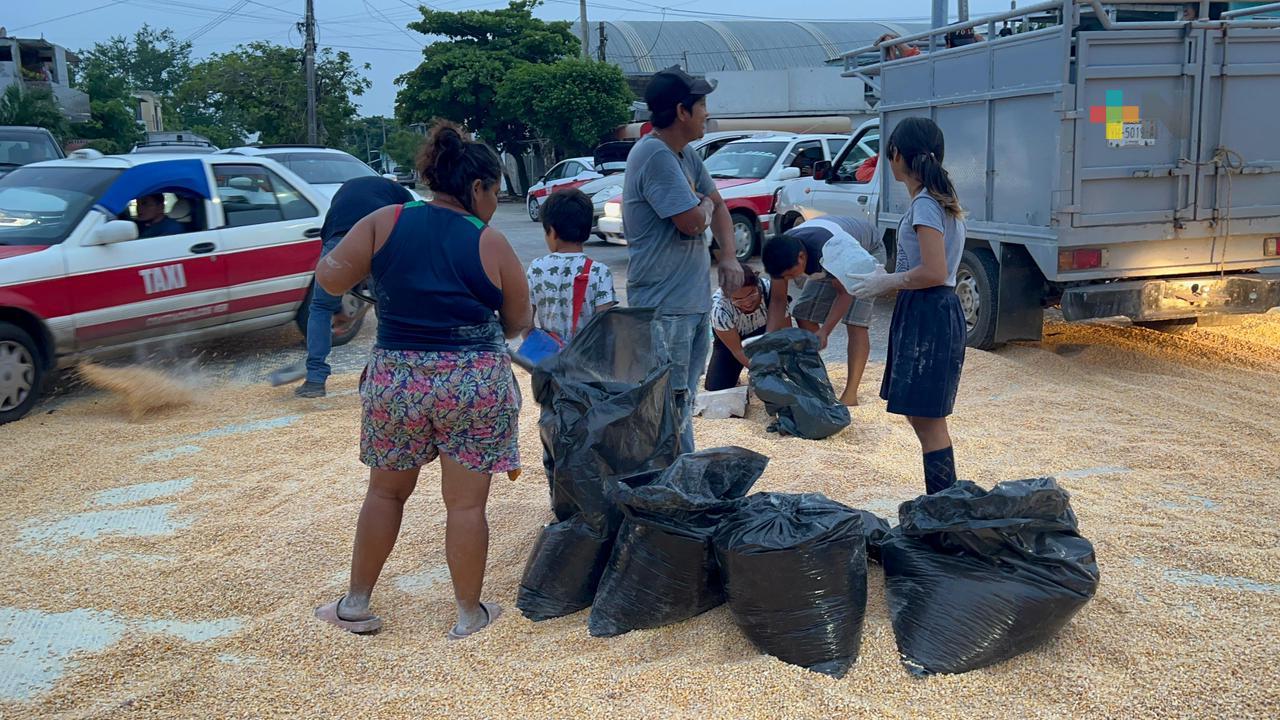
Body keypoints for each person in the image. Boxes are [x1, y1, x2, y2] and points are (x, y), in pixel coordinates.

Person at [313, 122, 531, 638]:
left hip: (397, 381)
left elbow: (329, 278)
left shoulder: (384, 220)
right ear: (476, 188)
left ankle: (356, 604)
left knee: (385, 495)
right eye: (496, 194)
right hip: (472, 382)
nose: (496, 204)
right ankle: (466, 615)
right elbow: (519, 324)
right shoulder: (491, 241)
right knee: (466, 504)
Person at [623, 65, 744, 453]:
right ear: (681, 111)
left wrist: (728, 256)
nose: (707, 113)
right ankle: (672, 488)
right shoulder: (655, 155)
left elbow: (718, 206)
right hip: (664, 307)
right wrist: (704, 204)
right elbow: (692, 221)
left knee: (682, 400)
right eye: (703, 104)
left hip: (688, 303)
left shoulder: (685, 154)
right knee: (666, 405)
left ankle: (679, 482)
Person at [846, 117, 967, 496]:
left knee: (929, 422)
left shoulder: (927, 205)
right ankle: (942, 507)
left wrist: (890, 281)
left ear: (896, 155)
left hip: (930, 311)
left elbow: (934, 270)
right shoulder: (934, 200)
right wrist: (891, 273)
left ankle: (943, 510)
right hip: (929, 308)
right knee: (922, 416)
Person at [294, 176, 412, 398]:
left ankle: (315, 381)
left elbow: (333, 245)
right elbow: (408, 230)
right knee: (388, 310)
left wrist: (337, 299)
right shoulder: (400, 194)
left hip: (339, 242)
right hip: (381, 242)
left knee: (320, 307)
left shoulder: (343, 192)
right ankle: (392, 377)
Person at [761, 216, 886, 406]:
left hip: (865, 252)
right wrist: (767, 338)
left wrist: (825, 331)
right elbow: (778, 300)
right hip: (828, 258)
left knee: (855, 322)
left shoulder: (833, 250)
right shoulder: (781, 251)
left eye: (790, 274)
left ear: (801, 258)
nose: (789, 279)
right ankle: (819, 381)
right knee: (803, 313)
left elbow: (844, 293)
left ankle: (850, 394)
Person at [526, 189, 617, 344]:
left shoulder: (537, 268)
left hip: (549, 362)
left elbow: (525, 321)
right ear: (587, 231)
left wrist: (538, 347)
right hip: (586, 362)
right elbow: (606, 327)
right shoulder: (600, 272)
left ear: (552, 232)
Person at [705, 263, 783, 392]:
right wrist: (760, 370)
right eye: (738, 299)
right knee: (717, 388)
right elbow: (738, 351)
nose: (747, 303)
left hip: (766, 333)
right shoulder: (719, 309)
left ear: (757, 285)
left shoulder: (772, 291)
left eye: (751, 294)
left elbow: (786, 331)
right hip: (735, 340)